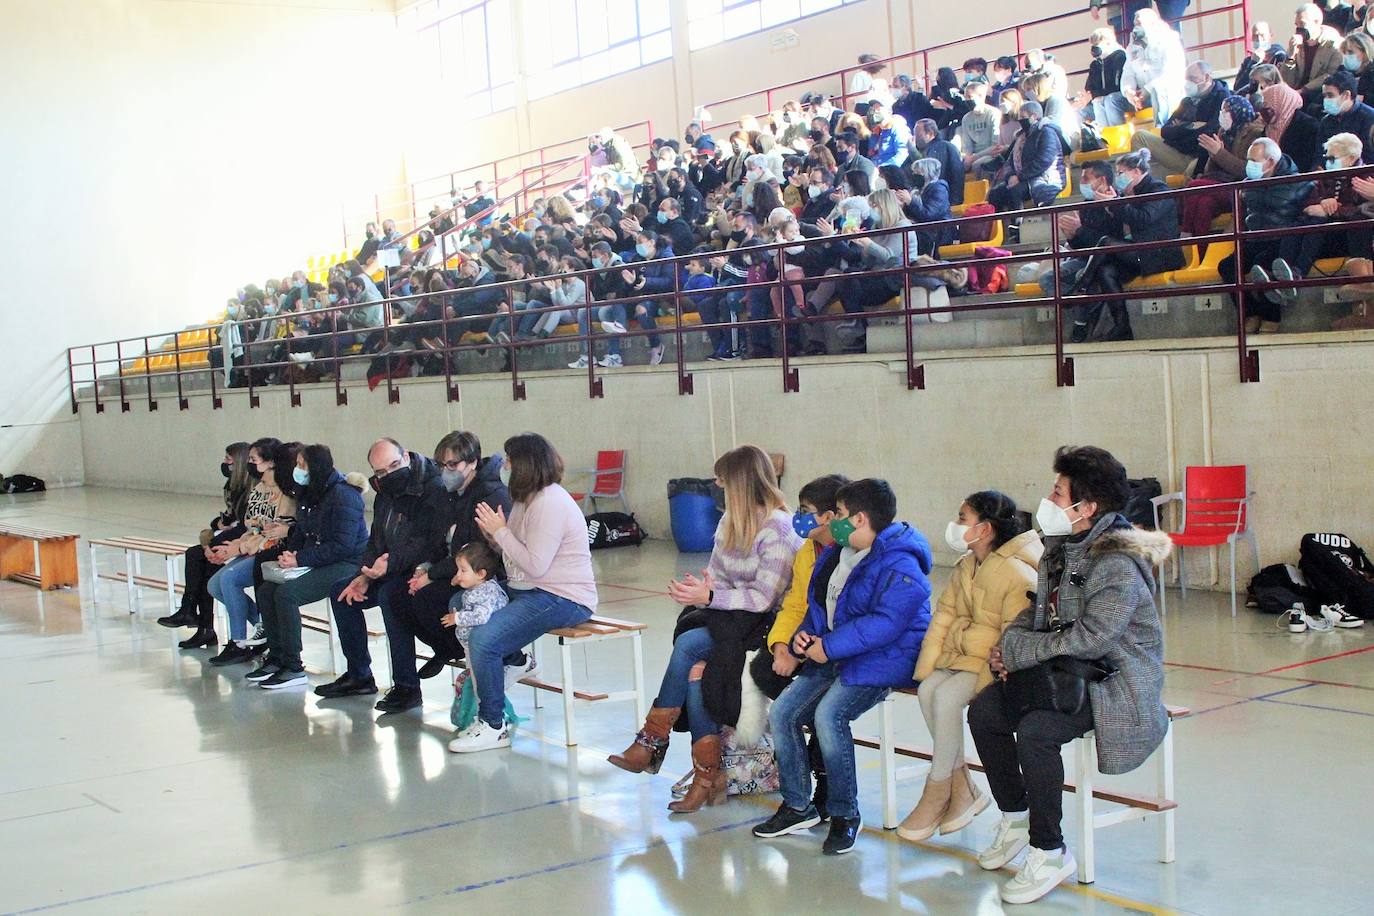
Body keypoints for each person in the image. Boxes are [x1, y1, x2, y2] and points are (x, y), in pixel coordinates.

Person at [969, 446, 1170, 905]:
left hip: (1112, 683)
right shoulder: (1061, 549)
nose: (1048, 499)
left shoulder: (1117, 560)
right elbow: (1036, 614)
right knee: (985, 710)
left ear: (1087, 507)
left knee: (1036, 731)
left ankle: (1049, 849)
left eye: (1057, 492)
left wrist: (1020, 654)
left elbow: (1093, 639)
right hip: (1062, 672)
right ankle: (1017, 816)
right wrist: (1011, 645)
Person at [608, 445, 800, 812]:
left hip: (770, 628)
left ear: (740, 483)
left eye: (722, 480)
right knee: (697, 673)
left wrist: (711, 595)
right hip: (734, 621)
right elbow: (719, 576)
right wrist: (699, 591)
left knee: (690, 646)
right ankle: (705, 776)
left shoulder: (778, 529)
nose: (716, 485)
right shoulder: (730, 521)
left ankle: (652, 741)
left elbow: (762, 598)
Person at [752, 479, 932, 856]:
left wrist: (828, 646)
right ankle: (798, 805)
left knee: (829, 715)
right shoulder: (839, 553)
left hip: (882, 660)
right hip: (835, 654)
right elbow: (821, 606)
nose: (836, 524)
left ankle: (845, 813)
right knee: (784, 711)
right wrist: (805, 638)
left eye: (843, 516)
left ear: (861, 518)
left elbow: (885, 624)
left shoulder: (901, 562)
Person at [897, 492, 1042, 842]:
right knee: (929, 690)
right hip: (961, 657)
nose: (956, 525)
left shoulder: (1016, 573)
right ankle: (963, 789)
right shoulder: (966, 566)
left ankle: (938, 789)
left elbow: (1012, 637)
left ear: (985, 528)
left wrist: (988, 670)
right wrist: (928, 666)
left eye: (963, 518)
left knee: (946, 699)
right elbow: (945, 615)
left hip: (993, 665)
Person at [448, 433, 597, 753]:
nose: (505, 465)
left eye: (510, 460)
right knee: (461, 600)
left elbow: (536, 565)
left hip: (562, 596)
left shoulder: (550, 502)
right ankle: (516, 661)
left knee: (484, 638)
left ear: (525, 464)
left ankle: (492, 724)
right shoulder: (525, 500)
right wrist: (494, 536)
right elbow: (515, 557)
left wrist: (501, 532)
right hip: (527, 588)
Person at [318, 439, 449, 710]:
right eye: (380, 472)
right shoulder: (384, 492)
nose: (389, 474)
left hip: (422, 568)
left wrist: (388, 566)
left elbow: (427, 542)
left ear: (405, 456)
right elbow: (376, 539)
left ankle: (407, 687)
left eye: (394, 465)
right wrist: (364, 574)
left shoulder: (432, 488)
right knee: (343, 593)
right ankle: (359, 675)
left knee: (392, 597)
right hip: (387, 567)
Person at [386, 431, 518, 682]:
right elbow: (435, 539)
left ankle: (462, 649)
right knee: (396, 595)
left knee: (428, 598)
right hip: (452, 568)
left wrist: (433, 576)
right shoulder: (447, 495)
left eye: (452, 464)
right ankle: (444, 648)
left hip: (481, 575)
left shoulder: (490, 496)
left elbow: (480, 553)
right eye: (441, 465)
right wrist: (423, 568)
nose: (445, 470)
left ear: (472, 463)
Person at [761, 474, 851, 818]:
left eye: (805, 510)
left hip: (834, 651)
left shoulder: (848, 554)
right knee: (766, 672)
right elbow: (797, 605)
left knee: (820, 711)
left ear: (830, 516)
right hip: (809, 644)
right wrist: (782, 646)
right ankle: (802, 787)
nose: (797, 517)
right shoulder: (806, 552)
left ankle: (825, 774)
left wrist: (811, 647)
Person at [247, 445, 368, 690]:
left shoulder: (344, 495)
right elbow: (302, 530)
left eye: (302, 465)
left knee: (286, 595)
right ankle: (277, 657)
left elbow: (342, 546)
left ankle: (293, 666)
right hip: (319, 557)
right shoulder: (310, 492)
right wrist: (290, 553)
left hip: (346, 563)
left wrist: (301, 559)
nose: (298, 470)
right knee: (266, 591)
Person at [1067, 149, 1184, 342]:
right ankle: (1122, 326)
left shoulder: (1158, 189)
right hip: (1141, 253)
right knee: (1106, 270)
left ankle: (1082, 286)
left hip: (1160, 253)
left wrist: (1115, 203)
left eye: (1121, 173)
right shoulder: (1129, 194)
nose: (1118, 177)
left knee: (1105, 242)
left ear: (1136, 172)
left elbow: (1145, 218)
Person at [205, 438, 295, 666]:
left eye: (254, 460)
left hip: (271, 551)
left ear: (270, 462)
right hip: (253, 547)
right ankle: (263, 628)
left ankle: (240, 643)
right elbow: (252, 526)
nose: (250, 465)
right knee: (214, 585)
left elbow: (275, 532)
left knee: (229, 579)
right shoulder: (259, 488)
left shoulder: (284, 492)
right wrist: (234, 547)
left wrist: (240, 548)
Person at [157, 442, 252, 650]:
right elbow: (222, 521)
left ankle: (200, 621)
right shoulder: (232, 488)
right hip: (230, 537)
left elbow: (244, 527)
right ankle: (196, 617)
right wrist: (212, 539)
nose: (225, 464)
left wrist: (212, 543)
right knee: (196, 555)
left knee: (202, 559)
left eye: (229, 461)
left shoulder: (250, 489)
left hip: (244, 542)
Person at [1217, 137, 1317, 333]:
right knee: (1227, 267)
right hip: (1255, 238)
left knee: (1261, 266)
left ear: (1270, 162)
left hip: (1281, 240)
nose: (1249, 165)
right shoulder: (1247, 186)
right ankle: (1250, 313)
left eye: (1254, 161)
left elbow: (1307, 216)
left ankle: (1272, 317)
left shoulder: (1299, 183)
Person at [1270, 132, 1371, 305]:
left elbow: (1364, 211)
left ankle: (1296, 274)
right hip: (1325, 232)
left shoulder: (1366, 177)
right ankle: (1283, 274)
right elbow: (1308, 200)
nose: (1327, 162)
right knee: (1298, 224)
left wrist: (1334, 210)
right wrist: (1321, 203)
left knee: (1317, 223)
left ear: (1351, 158)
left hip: (1345, 236)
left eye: (1332, 158)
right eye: (1326, 157)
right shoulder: (1323, 177)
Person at [1179, 95, 1263, 240]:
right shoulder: (1223, 132)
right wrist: (1213, 154)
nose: (1221, 115)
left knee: (1194, 185)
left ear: (1237, 112)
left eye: (1226, 111)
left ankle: (1185, 233)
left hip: (1238, 188)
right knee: (1203, 205)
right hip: (1218, 185)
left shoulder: (1255, 134)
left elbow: (1245, 171)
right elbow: (1209, 172)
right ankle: (1201, 254)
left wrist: (1220, 153)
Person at [1130, 61, 1231, 176]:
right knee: (1139, 137)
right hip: (1178, 151)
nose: (1188, 83)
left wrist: (1179, 131)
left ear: (1207, 77)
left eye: (1192, 78)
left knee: (1191, 170)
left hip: (1201, 156)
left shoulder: (1223, 98)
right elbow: (1165, 131)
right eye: (1186, 79)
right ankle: (1141, 183)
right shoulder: (1187, 101)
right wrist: (1190, 126)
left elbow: (1209, 133)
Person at [988, 101, 1067, 211]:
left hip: (1045, 179)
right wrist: (1010, 176)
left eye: (1023, 117)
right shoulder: (1021, 136)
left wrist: (1020, 177)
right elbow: (1009, 161)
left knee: (1015, 192)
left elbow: (1044, 160)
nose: (1020, 120)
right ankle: (1000, 226)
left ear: (1034, 116)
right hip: (1023, 179)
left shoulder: (1047, 132)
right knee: (994, 194)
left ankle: (1015, 225)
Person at [440, 540, 508, 660]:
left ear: (481, 574)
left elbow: (481, 616)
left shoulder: (486, 592)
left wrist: (457, 618)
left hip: (487, 648)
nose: (458, 574)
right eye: (458, 570)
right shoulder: (477, 588)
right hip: (476, 648)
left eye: (463, 570)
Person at [1282, 4, 1342, 106]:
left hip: (1319, 95)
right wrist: (1290, 57)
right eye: (1297, 25)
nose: (1299, 28)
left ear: (1317, 22)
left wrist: (1303, 90)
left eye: (1302, 24)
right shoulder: (1298, 45)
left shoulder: (1334, 43)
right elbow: (1288, 81)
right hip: (1296, 95)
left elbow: (1331, 74)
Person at [898, 158, 955, 253]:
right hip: (923, 229)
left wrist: (910, 201)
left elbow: (929, 214)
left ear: (927, 172)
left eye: (918, 172)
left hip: (937, 232)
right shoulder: (917, 190)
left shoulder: (939, 189)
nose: (914, 175)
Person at [1079, 27, 1128, 126]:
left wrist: (1094, 94)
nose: (1094, 49)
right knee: (1078, 112)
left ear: (1108, 42)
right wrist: (1086, 97)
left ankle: (1114, 136)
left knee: (1107, 101)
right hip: (1099, 102)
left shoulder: (1120, 57)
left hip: (1118, 99)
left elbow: (1117, 87)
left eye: (1096, 44)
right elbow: (1089, 87)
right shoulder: (1095, 64)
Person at [910, 119, 965, 205]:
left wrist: (954, 203)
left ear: (930, 133)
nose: (914, 138)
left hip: (942, 201)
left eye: (918, 134)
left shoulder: (945, 148)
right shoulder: (919, 151)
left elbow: (957, 176)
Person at [1316, 70, 1374, 151]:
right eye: (1324, 96)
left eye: (1330, 95)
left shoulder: (1370, 118)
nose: (1326, 100)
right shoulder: (1326, 121)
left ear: (1346, 95)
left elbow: (1370, 156)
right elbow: (1319, 154)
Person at [958, 81, 1003, 172]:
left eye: (970, 97)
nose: (966, 100)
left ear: (981, 96)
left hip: (991, 154)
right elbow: (967, 146)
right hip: (973, 156)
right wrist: (968, 158)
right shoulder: (966, 118)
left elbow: (995, 144)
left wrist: (974, 158)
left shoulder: (993, 113)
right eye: (965, 97)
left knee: (977, 165)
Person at [863, 100, 911, 168]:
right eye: (873, 110)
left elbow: (903, 154)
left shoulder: (898, 128)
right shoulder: (879, 131)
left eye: (878, 109)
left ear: (889, 112)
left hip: (890, 172)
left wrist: (881, 168)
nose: (874, 113)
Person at [1235, 21, 1274, 94]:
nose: (1259, 39)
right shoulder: (1248, 61)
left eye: (1262, 35)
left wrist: (1291, 56)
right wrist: (1253, 63)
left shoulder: (1278, 55)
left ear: (1270, 36)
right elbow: (1237, 88)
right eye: (1255, 36)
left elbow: (1286, 77)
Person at [1341, 31, 1374, 104]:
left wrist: (1365, 98)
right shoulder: (1341, 72)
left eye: (1350, 52)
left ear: (1365, 52)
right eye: (1344, 52)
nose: (1346, 56)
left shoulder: (1371, 75)